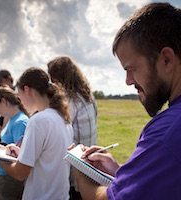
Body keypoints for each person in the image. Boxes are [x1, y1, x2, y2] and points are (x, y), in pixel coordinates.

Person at [73, 2, 181, 200]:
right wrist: (123, 172)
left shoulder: (167, 131)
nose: (128, 81)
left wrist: (81, 172)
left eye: (131, 69)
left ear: (166, 59)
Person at [0, 67, 73, 200]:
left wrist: (0, 157)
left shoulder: (38, 120)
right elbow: (47, 158)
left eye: (19, 96)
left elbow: (20, 173)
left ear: (27, 90)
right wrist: (21, 153)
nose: (20, 102)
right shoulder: (63, 117)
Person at [48, 55, 98, 200]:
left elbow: (58, 131)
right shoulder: (87, 96)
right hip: (89, 160)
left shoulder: (69, 101)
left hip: (76, 166)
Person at [0, 86, 29, 200]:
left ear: (3, 101)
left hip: (10, 177)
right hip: (2, 172)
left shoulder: (20, 122)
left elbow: (20, 154)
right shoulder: (12, 119)